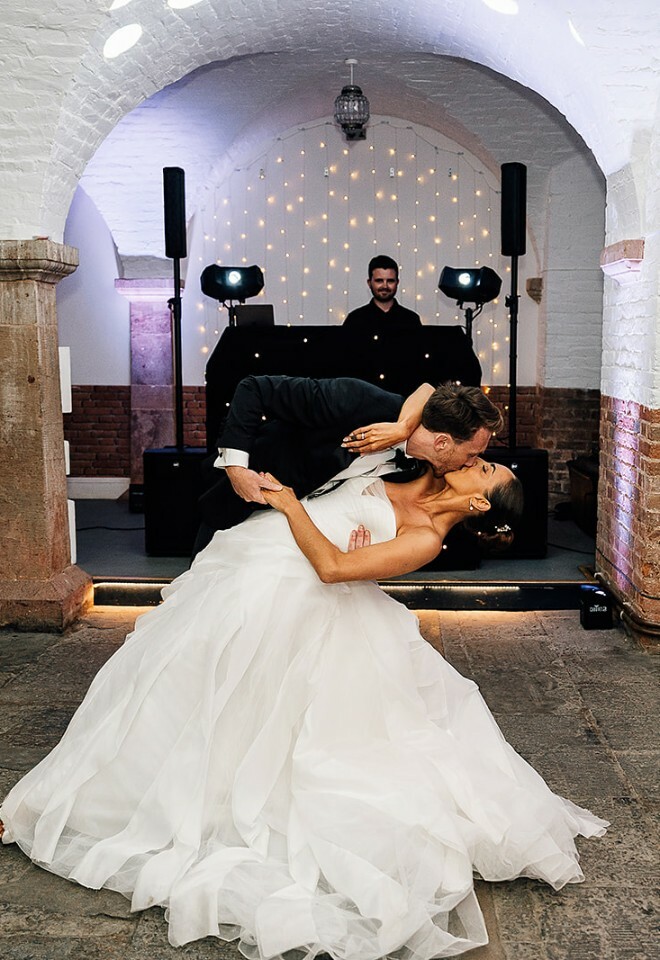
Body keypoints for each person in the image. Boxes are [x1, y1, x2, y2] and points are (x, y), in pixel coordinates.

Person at [0, 456, 607, 958]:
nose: (478, 461)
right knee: (169, 692)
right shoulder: (419, 477)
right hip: (265, 583)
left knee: (292, 728)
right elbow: (421, 410)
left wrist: (292, 506)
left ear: (481, 505)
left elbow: (334, 567)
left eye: (489, 469)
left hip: (315, 606)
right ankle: (70, 796)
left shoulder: (424, 538)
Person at [195, 375, 503, 553]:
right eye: (471, 455)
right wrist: (236, 470)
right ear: (443, 443)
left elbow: (428, 390)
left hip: (291, 547)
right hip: (239, 506)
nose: (472, 463)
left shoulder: (420, 468)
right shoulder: (356, 401)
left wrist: (403, 428)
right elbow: (254, 389)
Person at [342, 254, 422, 332]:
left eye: (390, 281)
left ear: (397, 283)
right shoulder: (355, 320)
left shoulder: (411, 320)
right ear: (369, 283)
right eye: (379, 281)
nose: (385, 286)